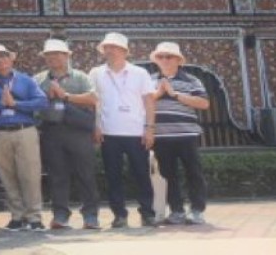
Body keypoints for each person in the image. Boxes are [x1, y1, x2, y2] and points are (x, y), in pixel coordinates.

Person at [0, 43, 48, 231]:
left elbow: (41, 101)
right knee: (7, 176)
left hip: (24, 131)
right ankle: (17, 215)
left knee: (30, 175)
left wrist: (15, 104)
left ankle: (34, 216)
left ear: (11, 58)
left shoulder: (26, 80)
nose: (0, 60)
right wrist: (0, 105)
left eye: (3, 56)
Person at [89, 32, 157, 229]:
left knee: (141, 174)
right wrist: (96, 126)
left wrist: (150, 128)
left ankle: (147, 213)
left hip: (136, 132)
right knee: (113, 176)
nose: (109, 51)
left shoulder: (139, 73)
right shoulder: (96, 72)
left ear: (125, 51)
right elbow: (93, 102)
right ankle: (119, 215)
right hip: (109, 132)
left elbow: (149, 102)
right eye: (107, 47)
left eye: (114, 47)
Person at [33, 38, 100, 230]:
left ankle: (90, 215)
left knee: (85, 174)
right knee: (57, 175)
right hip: (51, 131)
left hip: (78, 131)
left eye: (57, 53)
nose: (52, 57)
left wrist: (66, 96)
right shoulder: (38, 79)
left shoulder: (80, 77)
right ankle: (60, 215)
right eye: (48, 54)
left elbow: (93, 98)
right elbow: (32, 105)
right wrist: (48, 97)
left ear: (67, 56)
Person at [149, 41, 210, 226]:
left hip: (186, 134)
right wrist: (159, 93)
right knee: (169, 175)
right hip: (161, 136)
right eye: (161, 57)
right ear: (156, 60)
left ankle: (197, 210)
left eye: (169, 56)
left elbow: (204, 103)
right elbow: (142, 103)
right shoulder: (150, 80)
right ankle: (176, 211)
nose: (165, 60)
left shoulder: (192, 80)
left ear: (178, 60)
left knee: (194, 173)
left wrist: (175, 94)